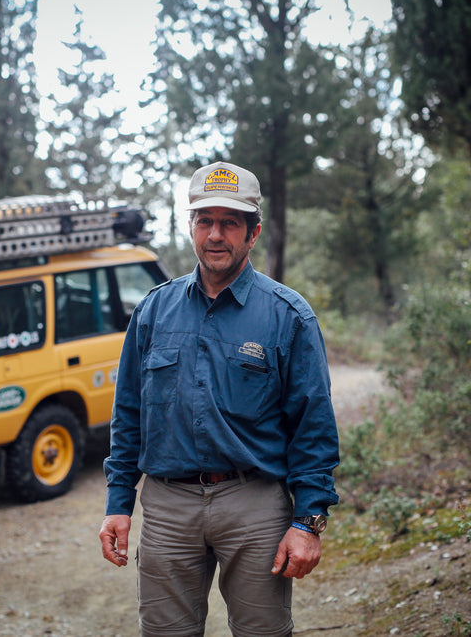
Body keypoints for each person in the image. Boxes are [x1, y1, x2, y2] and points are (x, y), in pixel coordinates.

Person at [98, 161, 340, 637]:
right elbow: (128, 414)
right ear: (190, 226)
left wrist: (308, 521)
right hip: (168, 506)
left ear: (252, 233)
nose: (215, 234)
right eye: (204, 220)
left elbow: (313, 424)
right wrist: (118, 503)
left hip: (255, 505)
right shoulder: (153, 311)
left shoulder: (288, 316)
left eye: (229, 222)